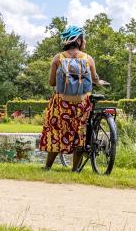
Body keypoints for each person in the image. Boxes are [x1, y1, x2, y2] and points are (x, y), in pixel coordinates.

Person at [40, 25, 106, 171]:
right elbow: (95, 78)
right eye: (84, 38)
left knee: (57, 132)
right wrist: (98, 82)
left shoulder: (58, 58)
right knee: (80, 133)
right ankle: (75, 169)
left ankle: (47, 167)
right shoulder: (88, 59)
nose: (85, 41)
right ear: (79, 40)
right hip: (81, 105)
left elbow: (51, 83)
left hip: (61, 105)